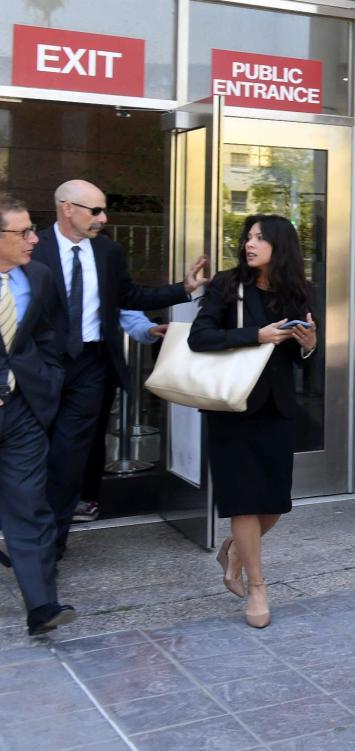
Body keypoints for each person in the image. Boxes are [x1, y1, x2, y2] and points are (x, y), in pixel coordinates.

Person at [33, 180, 208, 556]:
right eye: (95, 211)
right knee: (34, 452)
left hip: (92, 366)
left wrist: (184, 288)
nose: (103, 218)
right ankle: (29, 530)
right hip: (41, 368)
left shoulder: (109, 251)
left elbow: (131, 296)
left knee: (68, 456)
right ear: (67, 208)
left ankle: (50, 545)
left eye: (103, 210)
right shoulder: (34, 248)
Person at [188, 214, 317, 629]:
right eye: (248, 236)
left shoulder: (298, 292)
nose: (250, 243)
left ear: (281, 246)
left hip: (276, 410)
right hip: (232, 410)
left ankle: (236, 551)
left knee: (275, 506)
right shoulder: (228, 285)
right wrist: (254, 336)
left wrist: (309, 346)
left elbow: (300, 360)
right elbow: (199, 337)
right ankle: (257, 586)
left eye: (260, 238)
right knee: (244, 500)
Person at [0, 194, 76, 635]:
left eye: (33, 229)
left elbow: (49, 333)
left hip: (25, 408)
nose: (34, 239)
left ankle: (42, 605)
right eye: (24, 232)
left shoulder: (39, 276)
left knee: (31, 505)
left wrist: (48, 379)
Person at [72, 309, 165, 524]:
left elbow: (124, 302)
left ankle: (86, 498)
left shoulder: (104, 274)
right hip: (43, 361)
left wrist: (147, 328)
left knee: (92, 435)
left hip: (95, 361)